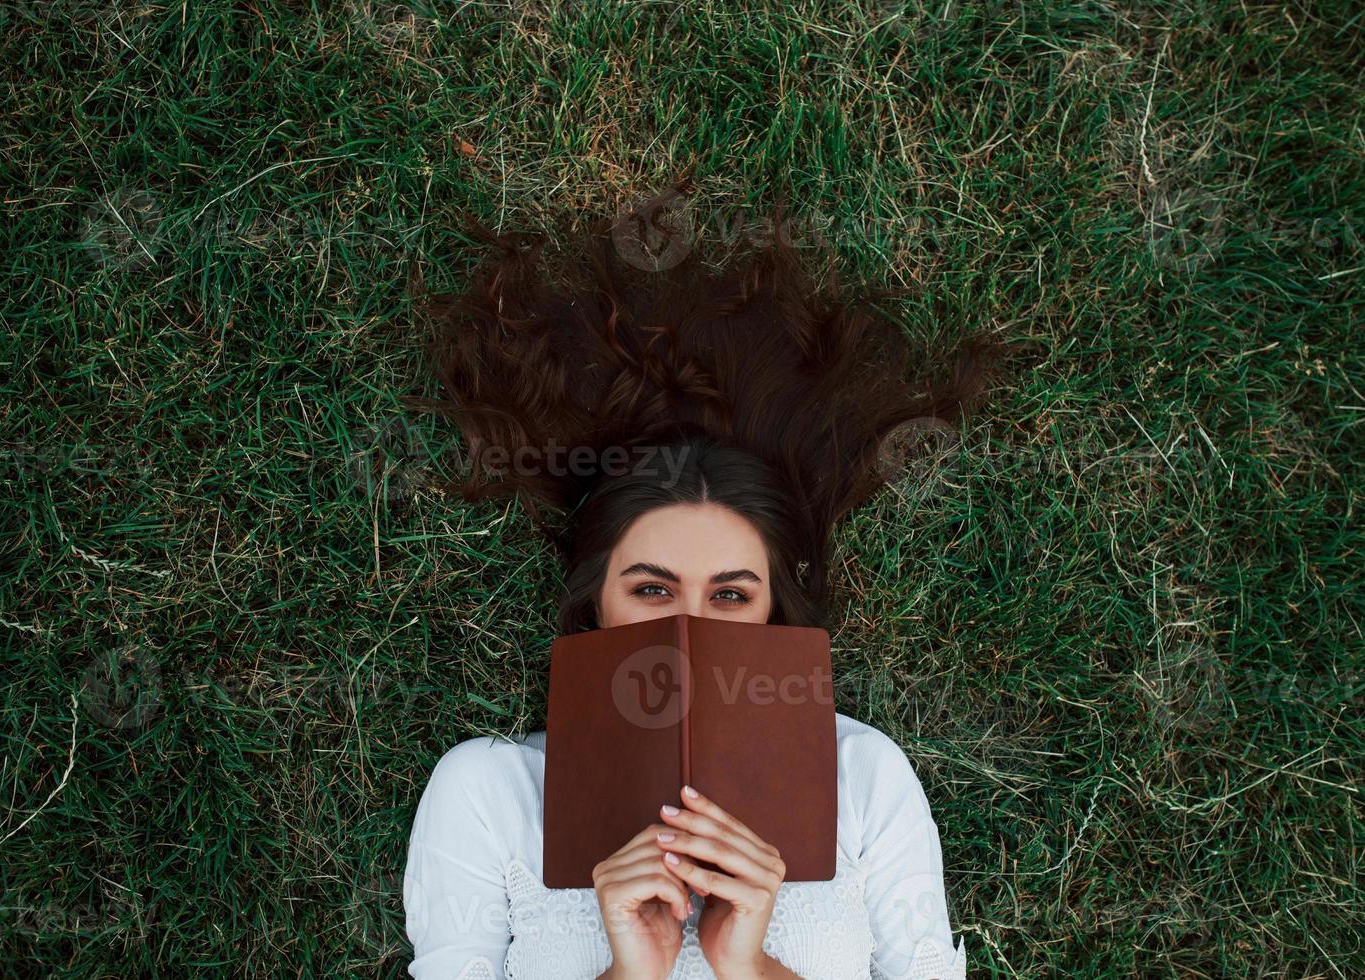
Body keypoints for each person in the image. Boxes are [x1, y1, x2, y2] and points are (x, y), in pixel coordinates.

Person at [398, 180, 1007, 979]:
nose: (688, 629)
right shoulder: (489, 790)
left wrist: (748, 963)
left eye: (729, 594)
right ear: (596, 602)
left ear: (771, 611)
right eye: (651, 590)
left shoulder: (863, 776)